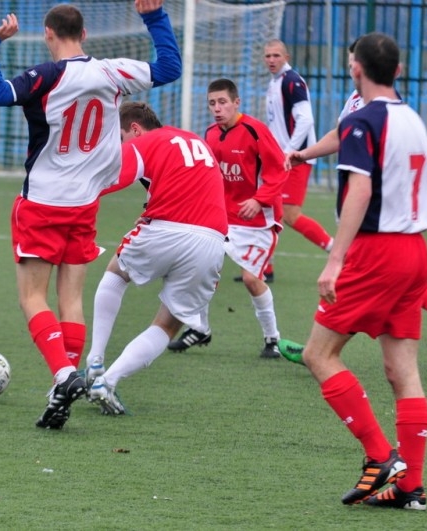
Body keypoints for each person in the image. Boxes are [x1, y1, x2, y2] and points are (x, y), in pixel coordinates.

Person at [0, 1, 181, 429]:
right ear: (84, 35)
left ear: (48, 33)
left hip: (42, 202)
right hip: (85, 204)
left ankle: (63, 375)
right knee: (70, 299)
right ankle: (62, 389)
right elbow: (169, 67)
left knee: (32, 297)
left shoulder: (45, 76)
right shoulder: (111, 72)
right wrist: (154, 18)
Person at [280, 38, 427, 368]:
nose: (351, 69)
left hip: (379, 220)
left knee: (355, 282)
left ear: (361, 68)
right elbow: (339, 134)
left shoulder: (374, 112)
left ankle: (316, 351)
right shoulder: (376, 107)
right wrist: (304, 154)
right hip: (397, 227)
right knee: (395, 293)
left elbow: (362, 181)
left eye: (353, 63)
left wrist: (335, 255)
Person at [297, 32, 427, 510]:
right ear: (397, 70)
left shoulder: (362, 120)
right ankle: (411, 486)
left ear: (355, 69)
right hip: (415, 250)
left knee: (319, 354)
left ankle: (381, 457)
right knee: (402, 371)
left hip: (377, 251)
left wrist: (336, 259)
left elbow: (360, 189)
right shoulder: (411, 117)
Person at [83, 101, 228, 414]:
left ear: (135, 129)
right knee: (168, 324)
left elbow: (113, 176)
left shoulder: (146, 142)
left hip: (167, 229)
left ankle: (95, 361)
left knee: (117, 272)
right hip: (212, 240)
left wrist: (73, 193)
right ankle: (107, 381)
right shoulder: (193, 140)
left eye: (121, 138)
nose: (121, 145)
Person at [166, 78, 288, 359]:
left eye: (222, 102)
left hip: (259, 221)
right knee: (199, 268)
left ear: (236, 103)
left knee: (251, 280)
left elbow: (279, 170)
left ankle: (272, 339)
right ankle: (200, 328)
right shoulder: (210, 134)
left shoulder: (255, 131)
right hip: (221, 217)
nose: (217, 108)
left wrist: (259, 200)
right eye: (212, 103)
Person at [259, 39, 334, 281]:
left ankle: (337, 252)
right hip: (280, 158)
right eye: (268, 56)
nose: (272, 59)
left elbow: (306, 120)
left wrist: (290, 151)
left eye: (276, 55)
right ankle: (264, 268)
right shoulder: (275, 82)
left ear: (286, 57)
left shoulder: (292, 81)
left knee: (290, 214)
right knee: (267, 210)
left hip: (296, 158)